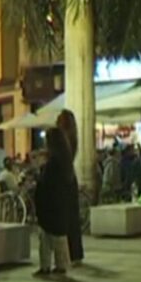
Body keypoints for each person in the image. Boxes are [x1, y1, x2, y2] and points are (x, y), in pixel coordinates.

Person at [34, 128, 76, 277]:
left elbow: (45, 184)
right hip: (61, 204)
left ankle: (45, 266)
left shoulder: (52, 164)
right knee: (59, 236)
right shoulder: (66, 162)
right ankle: (61, 264)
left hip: (50, 205)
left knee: (45, 237)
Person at [56, 109, 84, 264]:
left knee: (65, 218)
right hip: (71, 178)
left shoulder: (62, 139)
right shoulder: (73, 137)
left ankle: (68, 254)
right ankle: (76, 254)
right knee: (73, 218)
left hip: (64, 179)